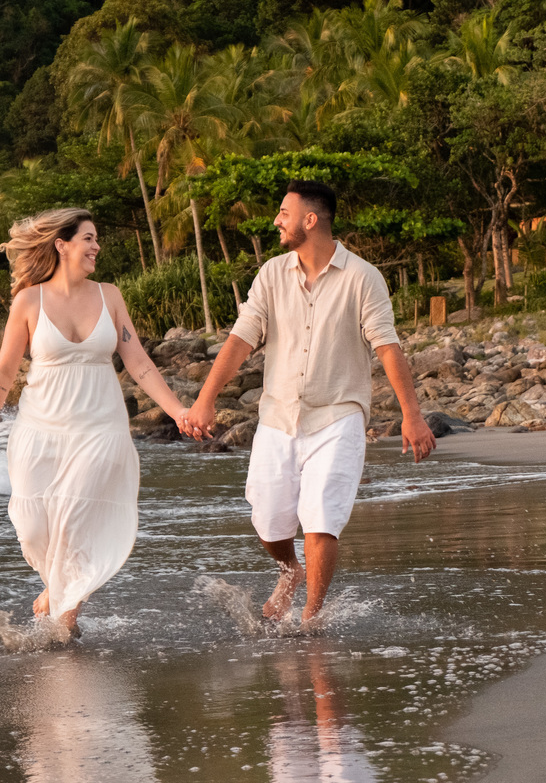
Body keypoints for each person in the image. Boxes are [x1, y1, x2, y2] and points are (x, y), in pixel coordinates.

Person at [184, 180, 436, 627]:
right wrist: (205, 400)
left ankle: (310, 617)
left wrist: (411, 416)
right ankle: (289, 569)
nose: (277, 220)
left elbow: (387, 347)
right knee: (269, 522)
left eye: (284, 212)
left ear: (310, 220)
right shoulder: (271, 274)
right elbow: (241, 338)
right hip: (278, 416)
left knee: (321, 518)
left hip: (338, 415)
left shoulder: (363, 277)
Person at [0, 207, 196, 639]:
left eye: (96, 238)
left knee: (76, 520)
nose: (96, 246)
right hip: (40, 431)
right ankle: (55, 594)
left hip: (100, 429)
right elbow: (4, 372)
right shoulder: (29, 301)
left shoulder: (110, 296)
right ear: (61, 244)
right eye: (88, 238)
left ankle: (62, 623)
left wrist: (177, 410)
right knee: (34, 530)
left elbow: (139, 363)